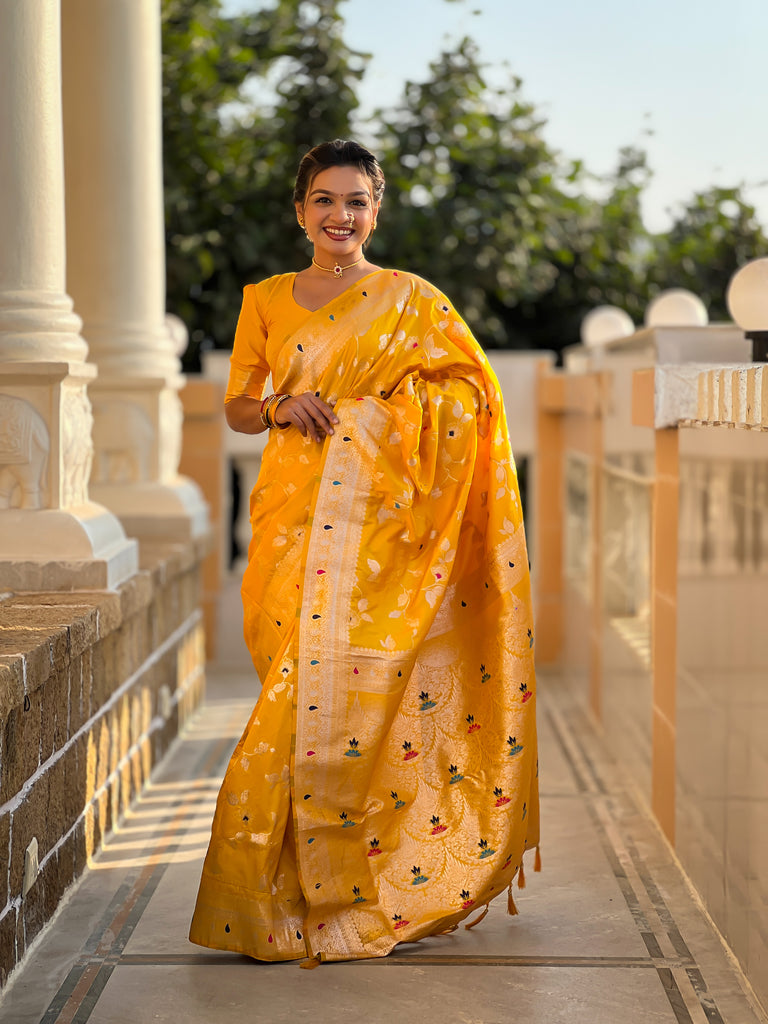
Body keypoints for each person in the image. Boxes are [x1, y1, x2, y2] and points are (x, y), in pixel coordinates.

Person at [189, 139, 539, 965]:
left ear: (376, 212)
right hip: (289, 516)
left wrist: (376, 421)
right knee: (290, 680)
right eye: (323, 200)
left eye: (355, 202)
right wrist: (283, 407)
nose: (339, 216)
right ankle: (273, 899)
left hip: (381, 528)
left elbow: (469, 394)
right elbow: (238, 406)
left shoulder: (412, 299)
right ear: (300, 210)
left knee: (348, 697)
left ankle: (349, 893)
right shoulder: (267, 299)